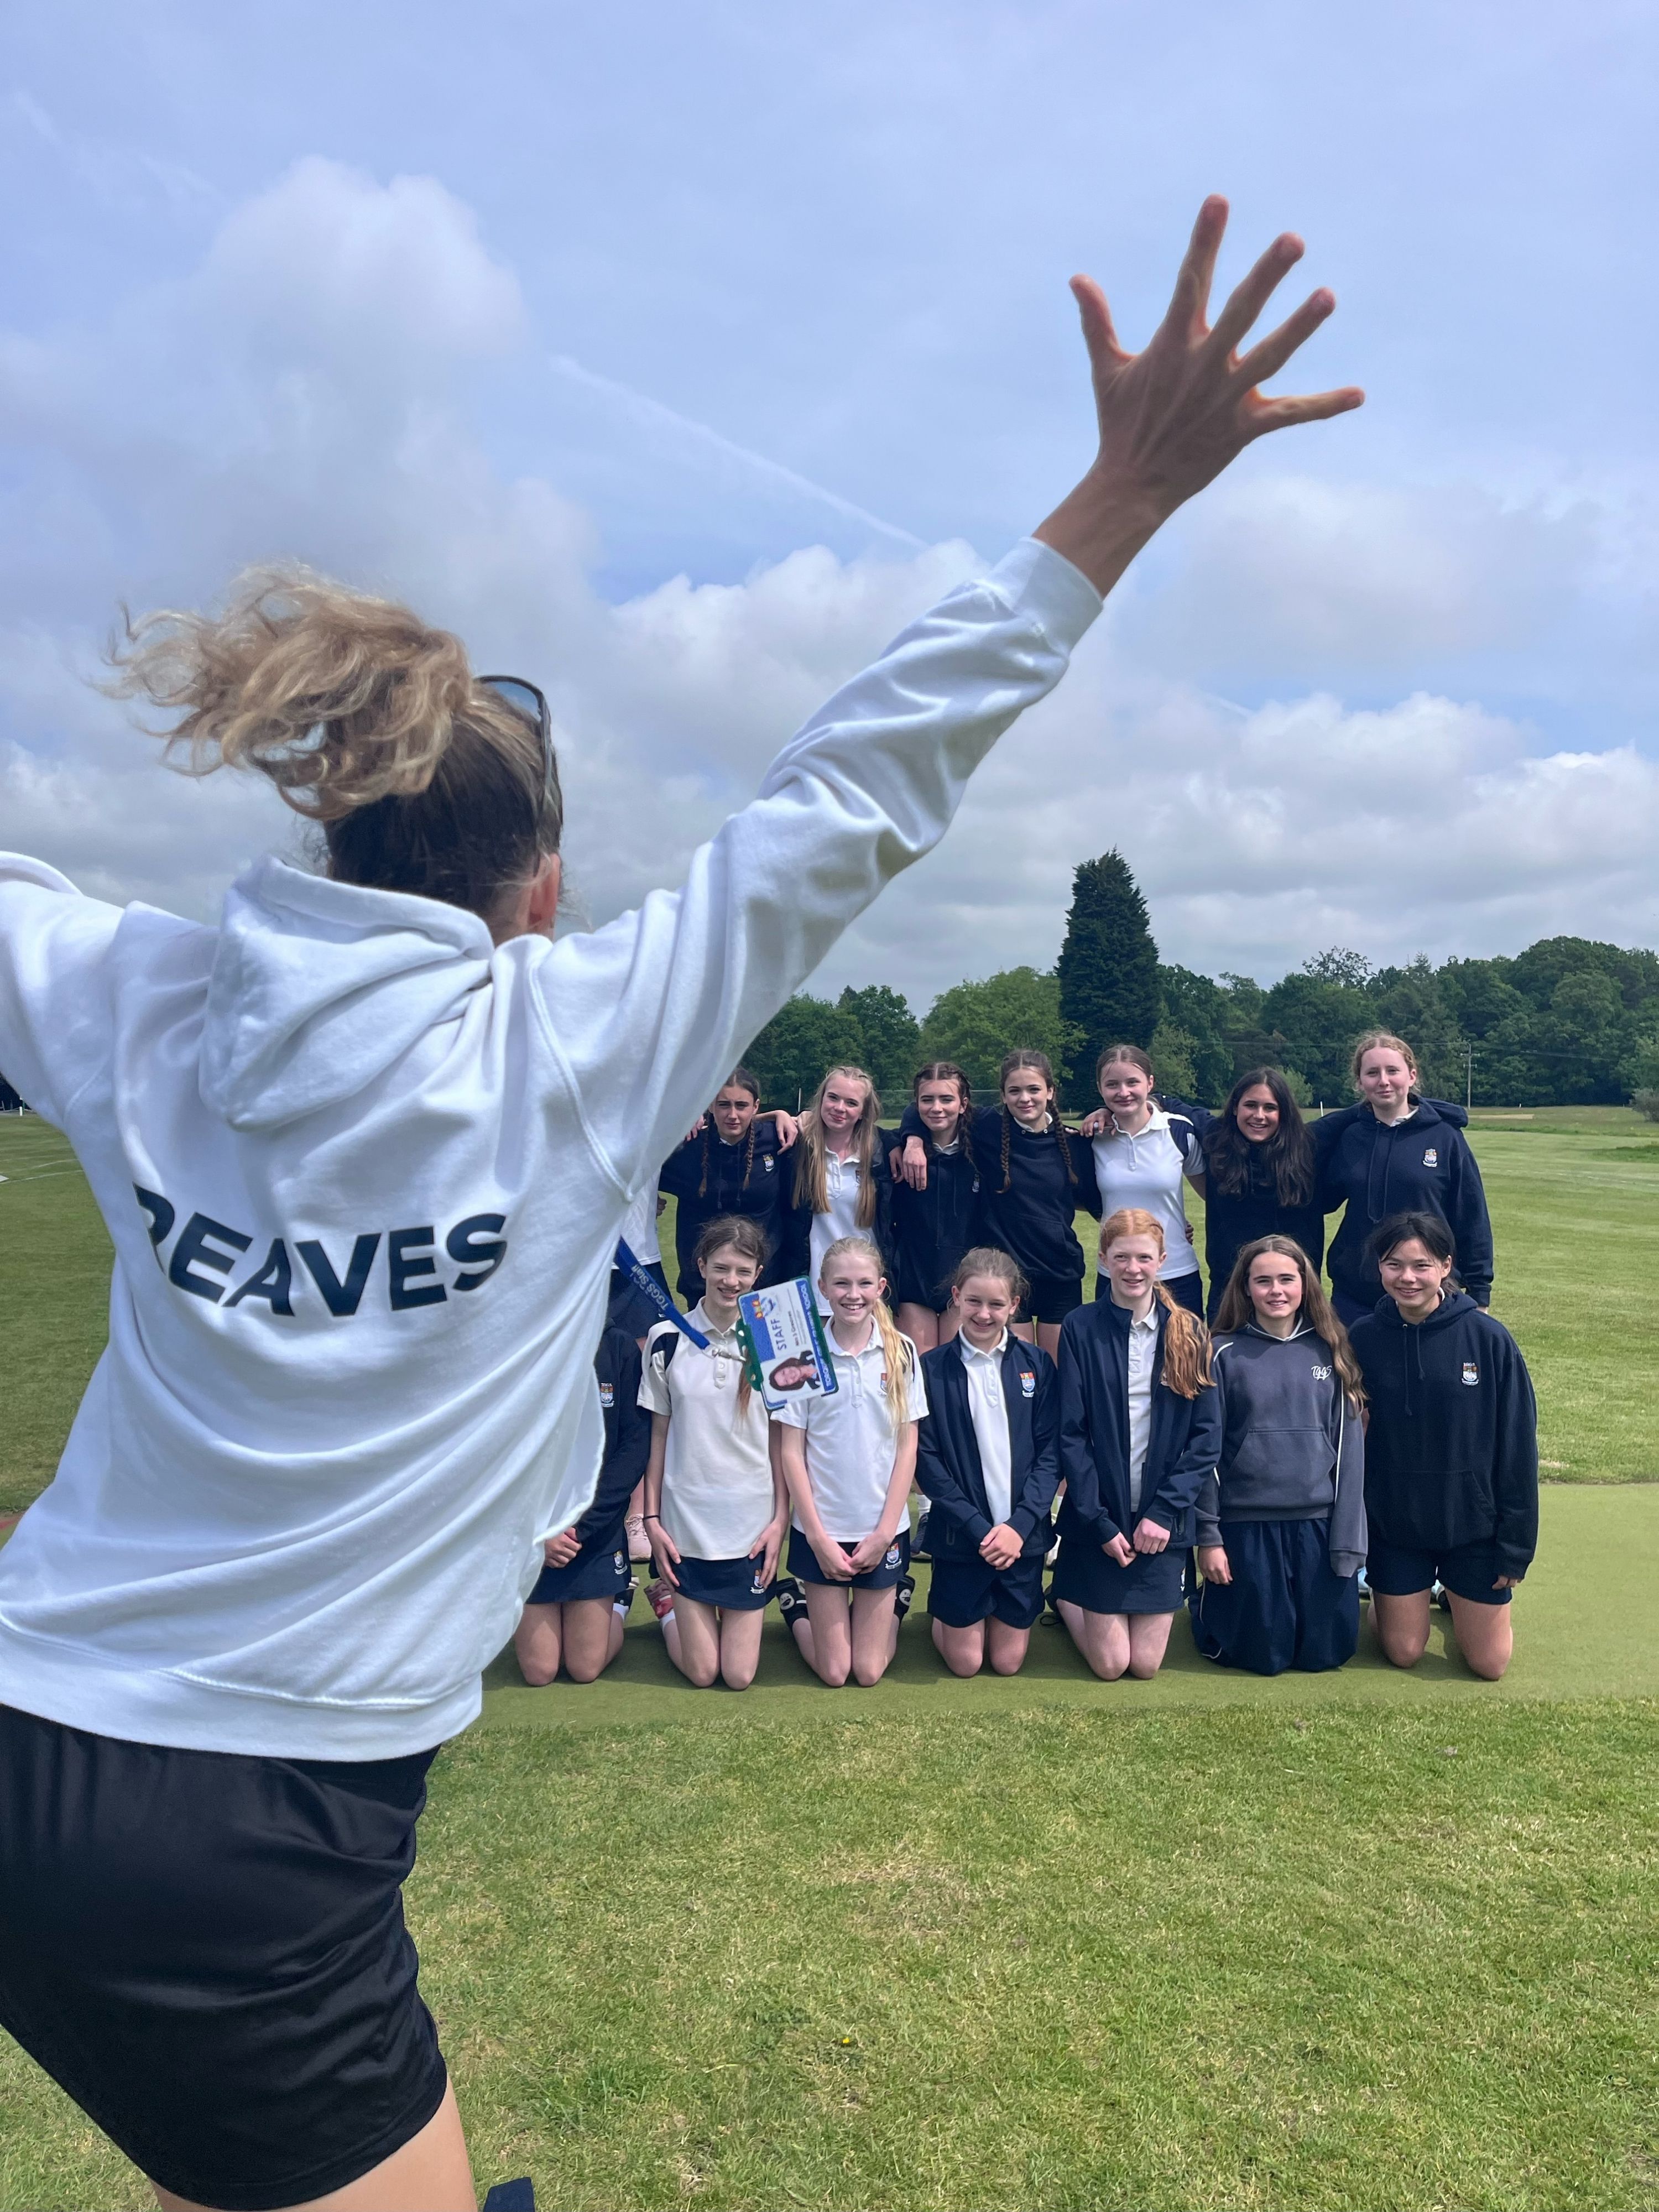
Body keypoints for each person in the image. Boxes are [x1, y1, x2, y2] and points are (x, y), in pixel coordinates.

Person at [0, 198, 1360, 2206]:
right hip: (260, 1830)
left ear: (338, 836)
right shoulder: (576, 1037)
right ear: (540, 889)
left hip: (30, 1700)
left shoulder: (134, 997)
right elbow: (856, 786)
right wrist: (1123, 494)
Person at [1349, 1212, 1537, 1681]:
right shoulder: (1362, 1338)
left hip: (1473, 1527)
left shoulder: (1488, 1339)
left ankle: (1454, 1594)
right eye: (1394, 1265)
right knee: (1404, 1651)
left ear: (1446, 1266)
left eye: (1422, 1265)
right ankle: (1398, 1600)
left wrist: (1515, 1547)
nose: (1407, 1278)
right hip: (1396, 1525)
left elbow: (1517, 1446)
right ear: (1379, 1267)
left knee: (1489, 1664)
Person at [1051, 1208, 1222, 1681]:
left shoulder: (1190, 1331)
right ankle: (1065, 1597)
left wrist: (1163, 1514)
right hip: (1100, 1517)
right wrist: (1098, 1521)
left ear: (1162, 1260)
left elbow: (1206, 1438)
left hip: (1159, 1523)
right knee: (1111, 1666)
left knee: (1144, 1665)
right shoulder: (1080, 1327)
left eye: (1144, 1258)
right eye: (1122, 1257)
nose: (1133, 1269)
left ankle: (1085, 1596)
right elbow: (1072, 1433)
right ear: (1103, 1259)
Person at [1190, 1235, 1366, 1674]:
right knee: (1260, 1657)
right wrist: (1210, 1538)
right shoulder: (1221, 1353)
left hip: (1317, 1524)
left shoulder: (1331, 1350)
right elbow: (1205, 1455)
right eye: (1263, 1281)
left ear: (1305, 1285)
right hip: (1246, 1524)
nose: (1276, 1291)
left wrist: (1348, 1541)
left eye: (1287, 1279)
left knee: (1324, 1655)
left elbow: (1349, 1457)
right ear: (1245, 1288)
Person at [773, 1237, 927, 1686]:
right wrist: (817, 1538)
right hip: (822, 1531)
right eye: (841, 1283)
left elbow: (908, 1449)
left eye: (863, 1283)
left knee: (868, 1670)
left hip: (882, 1531)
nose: (853, 1294)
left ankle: (896, 1599)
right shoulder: (800, 1355)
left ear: (881, 1287)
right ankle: (795, 1607)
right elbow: (790, 1451)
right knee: (836, 1672)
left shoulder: (902, 1351)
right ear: (822, 1287)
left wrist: (884, 1533)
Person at [638, 1218, 784, 1692]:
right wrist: (652, 1519)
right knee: (702, 1674)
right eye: (721, 1268)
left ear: (758, 1274)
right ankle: (666, 1606)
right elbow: (658, 1437)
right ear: (700, 1266)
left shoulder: (774, 1338)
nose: (731, 1281)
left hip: (750, 1526)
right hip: (686, 1525)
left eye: (743, 1271)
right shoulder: (666, 1337)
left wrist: (780, 1521)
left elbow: (784, 1440)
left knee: (738, 1676)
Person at [915, 1249, 1060, 1677]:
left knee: (1007, 1663)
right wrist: (979, 1530)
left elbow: (1051, 1453)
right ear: (956, 1298)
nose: (984, 1314)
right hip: (963, 1538)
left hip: (1021, 1539)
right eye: (974, 1301)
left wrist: (1019, 1527)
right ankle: (942, 1615)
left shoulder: (1036, 1364)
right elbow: (927, 1462)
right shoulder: (931, 1369)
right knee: (966, 1664)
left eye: (996, 1304)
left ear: (1014, 1306)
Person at [898, 1049, 1099, 1355]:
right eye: (1014, 1091)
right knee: (1017, 1370)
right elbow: (930, 1106)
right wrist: (913, 1140)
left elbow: (1096, 1201)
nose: (1025, 1099)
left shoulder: (1074, 1145)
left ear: (1050, 1091)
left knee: (1059, 1370)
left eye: (1034, 1089)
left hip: (1060, 1273)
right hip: (1007, 1274)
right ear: (1003, 1096)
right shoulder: (988, 1129)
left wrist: (1104, 1113)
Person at [1317, 1031, 1494, 1327]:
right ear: (1359, 1081)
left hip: (1428, 1295)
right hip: (1356, 1299)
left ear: (1412, 1076)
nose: (1383, 1081)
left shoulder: (1445, 1137)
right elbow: (1320, 1199)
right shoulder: (1350, 1137)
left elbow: (1472, 1216)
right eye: (1372, 1073)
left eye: (1393, 1071)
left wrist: (1480, 1292)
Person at [513, 1323, 649, 1684]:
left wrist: (581, 1526)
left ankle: (619, 1604)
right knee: (540, 1671)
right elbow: (500, 1452)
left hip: (592, 1533)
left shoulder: (618, 1347)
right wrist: (539, 1533)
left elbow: (635, 1446)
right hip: (534, 1534)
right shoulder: (516, 1345)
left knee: (584, 1668)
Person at [1078, 1044, 1206, 1313]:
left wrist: (1174, 1222)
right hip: (1116, 1274)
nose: (1123, 1092)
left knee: (1183, 1343)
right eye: (1112, 1084)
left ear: (1150, 1083)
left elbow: (1211, 1196)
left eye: (1132, 1082)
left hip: (1176, 1273)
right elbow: (1078, 1198)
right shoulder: (1093, 1138)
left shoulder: (1179, 1131)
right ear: (1100, 1088)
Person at [656, 1067, 794, 1303]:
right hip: (703, 1287)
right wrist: (646, 1202)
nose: (732, 1115)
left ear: (756, 1107)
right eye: (723, 1105)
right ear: (711, 1105)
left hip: (765, 1287)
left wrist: (781, 1114)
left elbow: (819, 1125)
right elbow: (632, 1172)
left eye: (741, 1106)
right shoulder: (687, 1148)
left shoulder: (778, 1139)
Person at [1199, 1067, 1326, 1321]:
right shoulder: (1216, 1140)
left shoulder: (1308, 1146)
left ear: (1284, 1113)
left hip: (1293, 1293)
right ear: (1235, 1107)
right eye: (1251, 1105)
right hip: (1228, 1293)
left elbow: (1359, 1113)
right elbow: (1170, 1107)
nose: (1259, 1115)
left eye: (1270, 1107)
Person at [888, 1062, 982, 1352]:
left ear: (963, 1104)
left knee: (957, 1369)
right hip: (914, 1279)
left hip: (964, 1280)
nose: (937, 1108)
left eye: (946, 1099)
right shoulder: (897, 1151)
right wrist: (911, 1142)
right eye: (927, 1100)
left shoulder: (983, 1147)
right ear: (917, 1104)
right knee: (920, 1368)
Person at [785, 1064, 895, 1306]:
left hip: (863, 1295)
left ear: (864, 1112)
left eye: (851, 1103)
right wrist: (777, 1114)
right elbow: (743, 1121)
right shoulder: (796, 1145)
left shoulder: (882, 1153)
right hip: (813, 1293)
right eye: (833, 1098)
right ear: (821, 1099)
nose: (839, 1108)